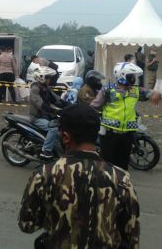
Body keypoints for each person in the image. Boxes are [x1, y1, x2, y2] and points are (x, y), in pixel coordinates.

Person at [18, 104, 140, 249]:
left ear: (65, 137)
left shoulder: (44, 175)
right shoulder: (121, 179)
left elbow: (27, 225)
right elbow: (132, 238)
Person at [91, 62, 160, 170]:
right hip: (109, 134)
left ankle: (121, 185)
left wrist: (156, 93)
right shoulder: (107, 90)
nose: (134, 79)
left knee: (123, 165)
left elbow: (150, 93)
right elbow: (94, 106)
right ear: (122, 76)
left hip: (127, 135)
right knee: (107, 165)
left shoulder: (135, 90)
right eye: (131, 76)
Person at [29, 66, 64, 160]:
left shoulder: (46, 88)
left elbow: (56, 99)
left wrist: (69, 106)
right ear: (41, 77)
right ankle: (46, 151)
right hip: (37, 117)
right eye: (48, 78)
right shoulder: (35, 89)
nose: (50, 80)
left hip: (46, 116)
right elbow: (41, 105)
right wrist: (55, 110)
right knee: (54, 128)